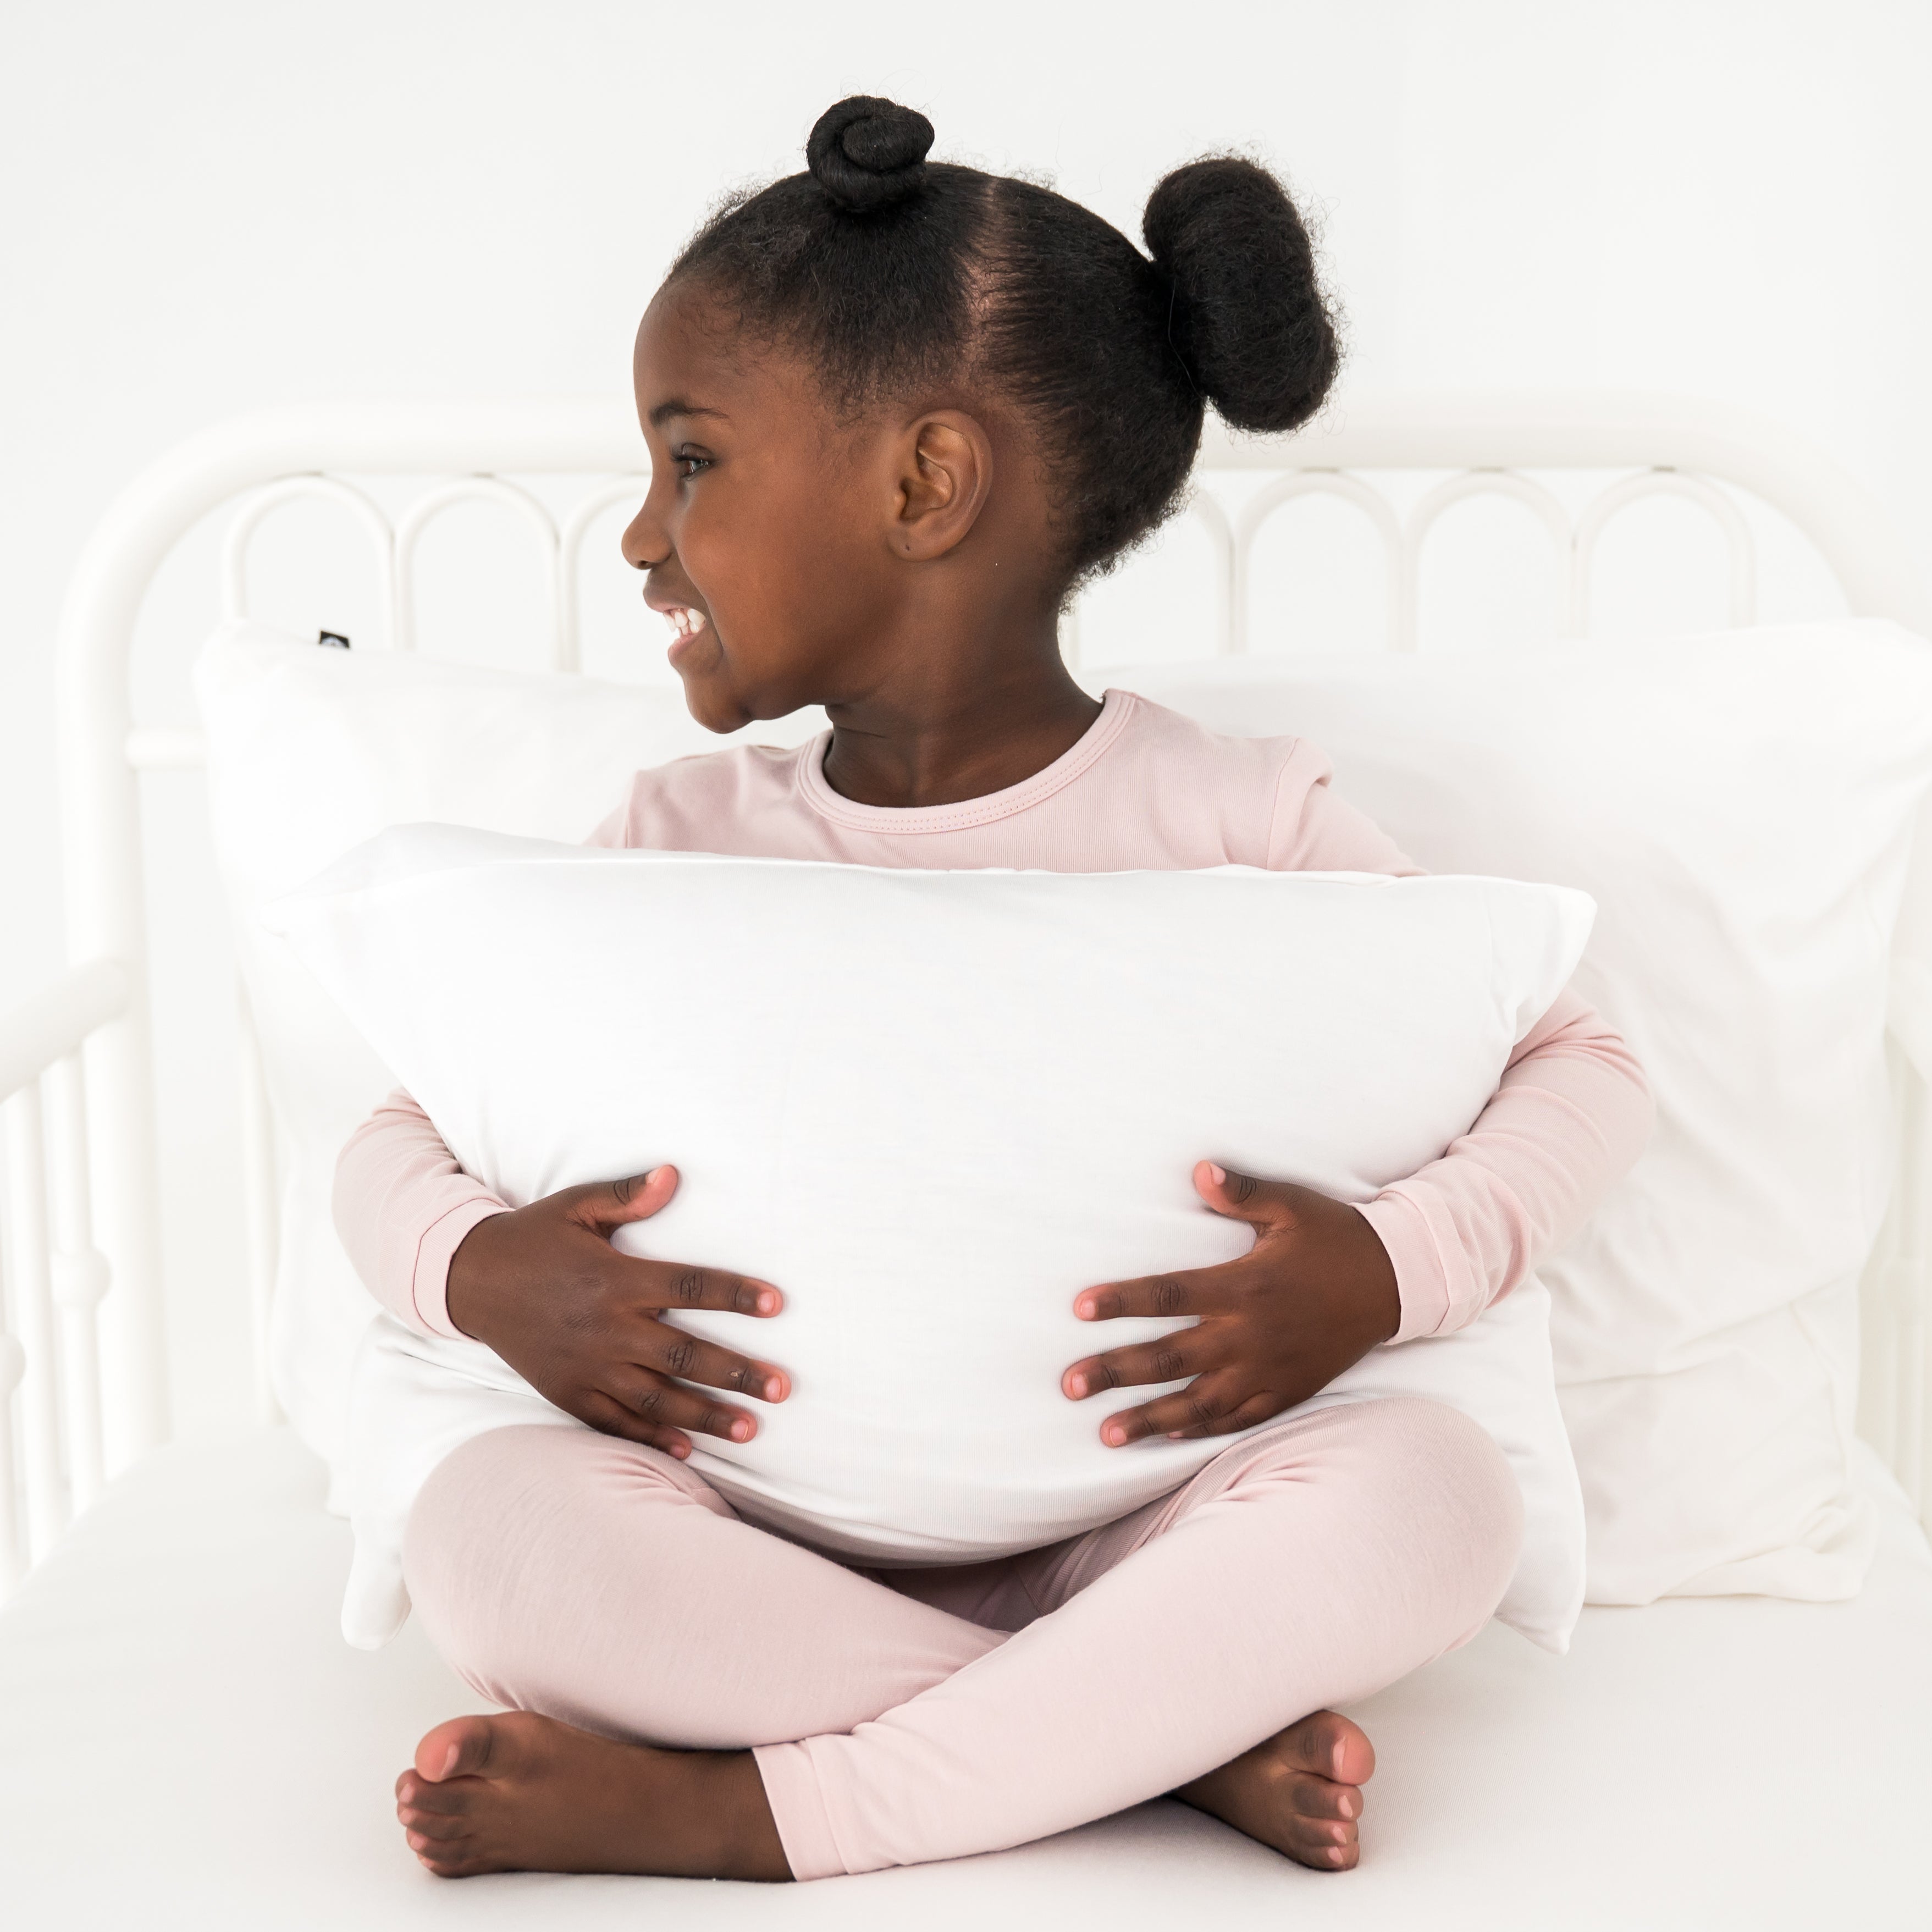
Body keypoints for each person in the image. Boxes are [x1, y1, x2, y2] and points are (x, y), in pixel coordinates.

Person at [339, 96, 1652, 1883]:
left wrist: (1385, 1271)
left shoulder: (1237, 818)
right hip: (752, 1540)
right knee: (484, 1532)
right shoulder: (672, 838)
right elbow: (394, 1127)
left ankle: (768, 1810)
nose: (643, 539)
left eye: (693, 461)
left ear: (923, 483)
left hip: (1153, 1527)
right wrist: (481, 1272)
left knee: (1435, 1500)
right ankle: (1142, 1742)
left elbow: (1581, 1064)